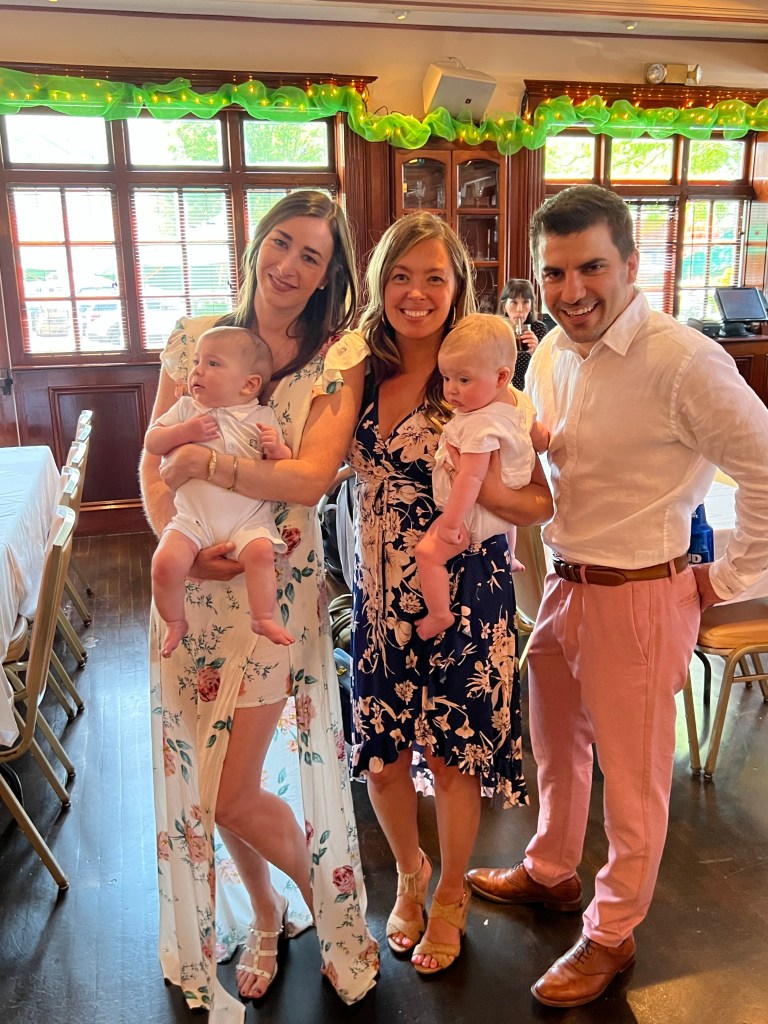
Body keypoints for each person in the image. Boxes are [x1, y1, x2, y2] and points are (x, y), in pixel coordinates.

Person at [467, 184, 768, 1008]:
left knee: (633, 785)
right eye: (555, 272)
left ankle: (612, 933)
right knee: (555, 748)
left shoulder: (683, 360)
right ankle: (552, 870)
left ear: (631, 264)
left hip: (640, 595)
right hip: (564, 584)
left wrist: (726, 579)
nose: (572, 291)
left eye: (591, 267)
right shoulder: (549, 353)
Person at [139, 190, 378, 1022]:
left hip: (275, 588)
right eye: (281, 243)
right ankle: (267, 913)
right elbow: (152, 460)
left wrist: (211, 467)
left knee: (233, 787)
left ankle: (328, 903)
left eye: (312, 256)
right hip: (194, 586)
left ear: (327, 276)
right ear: (255, 247)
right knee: (213, 781)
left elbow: (308, 480)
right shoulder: (196, 340)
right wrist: (178, 538)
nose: (289, 265)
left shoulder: (335, 360)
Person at [322, 212, 553, 977]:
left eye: (434, 277)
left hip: (469, 593)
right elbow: (317, 463)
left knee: (454, 760)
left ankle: (451, 892)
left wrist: (481, 493)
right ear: (379, 282)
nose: (415, 292)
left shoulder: (481, 378)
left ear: (457, 288)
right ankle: (410, 872)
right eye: (400, 275)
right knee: (383, 759)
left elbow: (540, 502)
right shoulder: (358, 371)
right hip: (380, 595)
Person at [145, 325, 294, 657]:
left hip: (246, 520)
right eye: (197, 361)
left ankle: (262, 617)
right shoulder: (186, 408)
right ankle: (174, 621)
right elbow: (152, 442)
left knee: (261, 554)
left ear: (249, 384)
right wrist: (184, 431)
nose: (197, 370)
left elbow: (282, 468)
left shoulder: (262, 416)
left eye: (212, 363)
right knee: (165, 563)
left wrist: (277, 450)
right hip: (192, 520)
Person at [414, 312, 549, 640]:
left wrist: (451, 522)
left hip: (471, 515)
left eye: (463, 380)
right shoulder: (518, 400)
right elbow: (540, 436)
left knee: (427, 554)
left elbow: (471, 479)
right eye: (447, 378)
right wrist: (544, 442)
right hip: (509, 508)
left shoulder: (479, 424)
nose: (451, 390)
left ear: (501, 376)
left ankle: (439, 613)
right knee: (506, 519)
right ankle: (511, 556)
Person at [498, 278, 551, 390]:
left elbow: (550, 370)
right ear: (504, 307)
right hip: (500, 391)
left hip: (530, 391)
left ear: (531, 306)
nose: (519, 309)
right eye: (514, 302)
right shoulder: (496, 330)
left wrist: (536, 352)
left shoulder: (539, 329)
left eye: (525, 302)